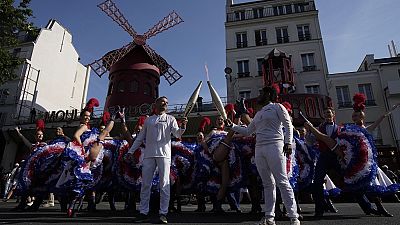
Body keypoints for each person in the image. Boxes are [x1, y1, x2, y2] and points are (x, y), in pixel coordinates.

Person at [228, 85, 300, 225]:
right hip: (259, 149)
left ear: (268, 94)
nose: (259, 94)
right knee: (267, 184)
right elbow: (248, 131)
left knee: (282, 181)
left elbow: (288, 125)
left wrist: (288, 143)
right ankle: (269, 217)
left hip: (275, 146)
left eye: (261, 92)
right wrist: (231, 126)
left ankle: (293, 216)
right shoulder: (259, 113)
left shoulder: (278, 107)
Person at [126, 96, 187, 224]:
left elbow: (177, 134)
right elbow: (140, 138)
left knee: (164, 184)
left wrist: (183, 126)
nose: (165, 104)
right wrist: (131, 151)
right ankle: (143, 212)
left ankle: (163, 213)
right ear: (156, 104)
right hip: (149, 155)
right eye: (163, 102)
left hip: (164, 155)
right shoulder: (149, 120)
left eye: (167, 103)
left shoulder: (171, 119)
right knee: (145, 184)